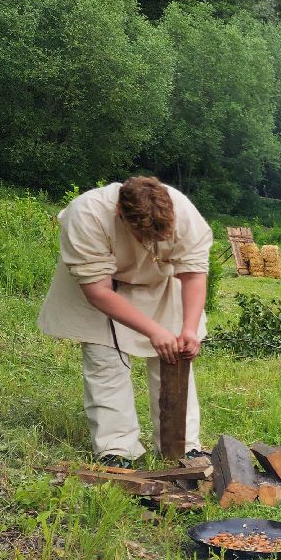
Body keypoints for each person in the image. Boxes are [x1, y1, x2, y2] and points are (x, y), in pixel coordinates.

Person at [37, 176, 212, 466]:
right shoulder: (87, 214)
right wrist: (153, 330)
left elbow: (193, 273)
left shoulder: (182, 210)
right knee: (105, 359)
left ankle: (182, 447)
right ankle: (117, 449)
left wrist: (189, 329)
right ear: (120, 213)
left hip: (160, 281)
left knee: (176, 354)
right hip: (103, 286)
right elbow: (98, 291)